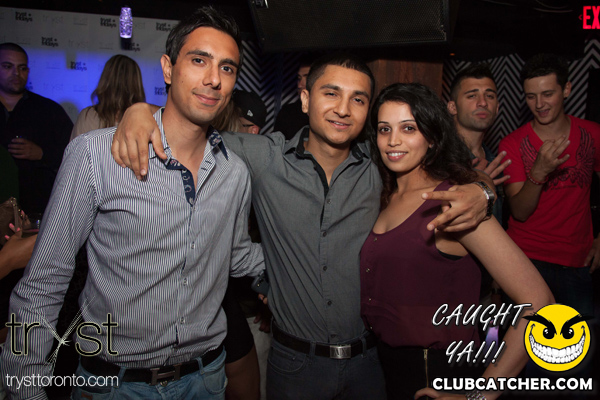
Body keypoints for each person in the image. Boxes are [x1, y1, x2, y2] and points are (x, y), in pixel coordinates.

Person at [111, 53, 495, 399]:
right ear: (306, 100)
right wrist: (141, 111)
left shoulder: (380, 164)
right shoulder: (265, 157)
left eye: (358, 99)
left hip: (371, 365)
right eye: (331, 93)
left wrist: (484, 191)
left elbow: (456, 168)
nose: (343, 109)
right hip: (295, 366)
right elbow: (188, 131)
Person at [1, 7, 264, 400]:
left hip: (205, 380)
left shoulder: (234, 173)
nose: (213, 78)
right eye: (199, 60)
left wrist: (301, 273)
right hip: (114, 385)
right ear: (168, 68)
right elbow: (41, 285)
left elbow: (238, 254)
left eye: (227, 68)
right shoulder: (95, 156)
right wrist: (25, 390)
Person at [363, 82, 553, 400]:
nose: (393, 140)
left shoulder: (456, 202)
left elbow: (540, 303)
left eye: (408, 128)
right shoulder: (385, 195)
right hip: (386, 368)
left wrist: (480, 396)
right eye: (385, 129)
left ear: (432, 137)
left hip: (437, 373)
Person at [499, 54, 600, 315]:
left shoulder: (593, 134)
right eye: (531, 96)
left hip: (576, 261)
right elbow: (520, 211)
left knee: (574, 338)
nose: (539, 104)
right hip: (525, 258)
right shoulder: (512, 144)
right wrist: (539, 172)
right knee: (523, 338)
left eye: (547, 94)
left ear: (566, 90)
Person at [0, 43, 73, 215]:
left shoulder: (48, 110)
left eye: (22, 68)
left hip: (36, 211)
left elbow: (73, 153)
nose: (16, 73)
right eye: (8, 66)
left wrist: (42, 154)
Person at [70, 54, 146, 140]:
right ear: (137, 84)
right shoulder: (146, 120)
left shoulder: (87, 116)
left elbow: (75, 148)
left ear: (105, 80)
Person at [272, 56, 311, 140]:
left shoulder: (328, 112)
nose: (299, 85)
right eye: (299, 78)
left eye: (307, 78)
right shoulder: (287, 113)